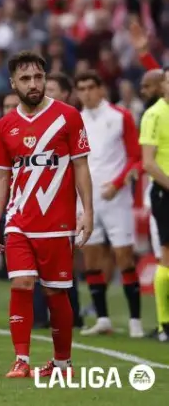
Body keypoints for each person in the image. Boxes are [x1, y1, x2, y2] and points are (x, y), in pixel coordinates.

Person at [0, 51, 94, 378]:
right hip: (18, 220)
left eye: (37, 77)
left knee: (55, 292)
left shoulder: (68, 116)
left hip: (57, 224)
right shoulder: (6, 125)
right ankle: (21, 359)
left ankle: (62, 363)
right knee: (21, 283)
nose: (33, 84)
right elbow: (2, 175)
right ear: (13, 83)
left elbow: (81, 167)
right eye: (25, 79)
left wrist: (86, 212)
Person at [74, 71, 143, 338]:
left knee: (124, 257)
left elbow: (136, 157)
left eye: (91, 87)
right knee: (91, 259)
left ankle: (135, 321)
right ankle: (102, 318)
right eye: (81, 88)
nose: (87, 92)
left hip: (116, 198)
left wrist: (118, 183)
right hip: (86, 200)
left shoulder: (120, 116)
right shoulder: (75, 120)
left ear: (101, 89)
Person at [33, 73, 83, 330]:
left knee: (66, 264)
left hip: (67, 201)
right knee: (34, 265)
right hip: (39, 202)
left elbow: (81, 164)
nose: (46, 92)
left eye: (51, 88)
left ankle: (73, 316)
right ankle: (40, 316)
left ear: (65, 93)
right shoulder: (35, 121)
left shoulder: (72, 119)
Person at [139, 67, 169, 343]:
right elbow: (148, 162)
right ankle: (164, 324)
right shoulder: (154, 115)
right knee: (166, 256)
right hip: (164, 192)